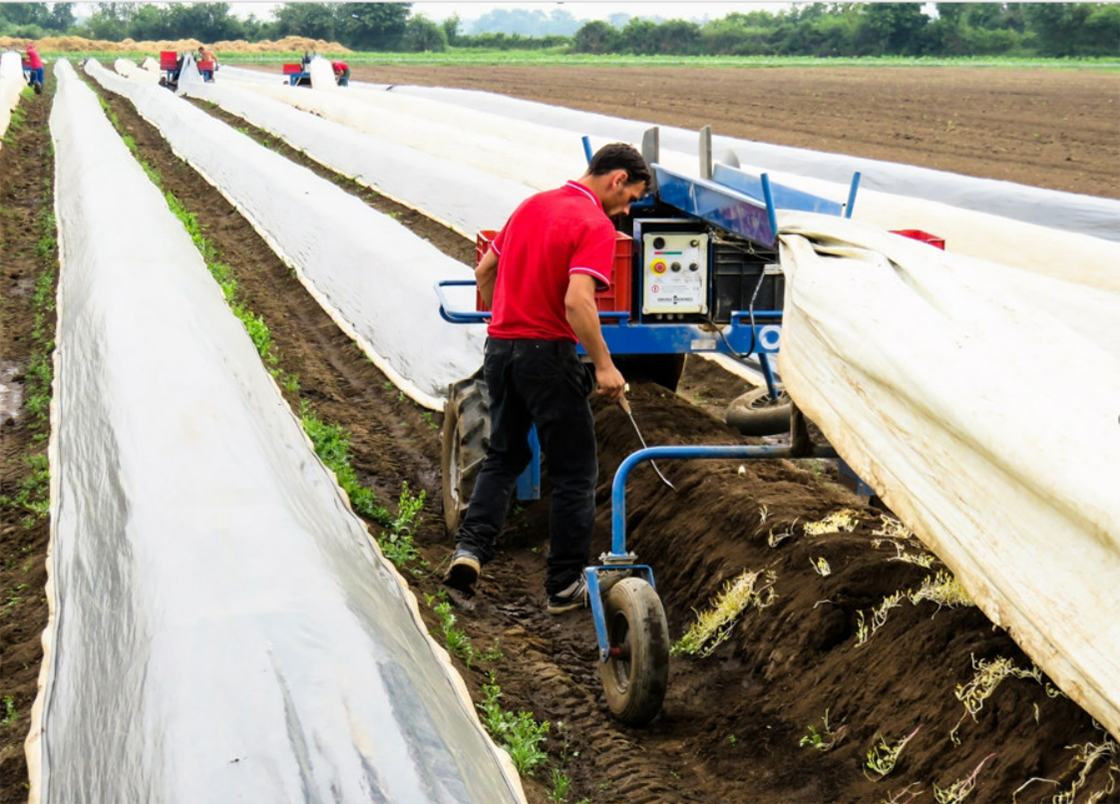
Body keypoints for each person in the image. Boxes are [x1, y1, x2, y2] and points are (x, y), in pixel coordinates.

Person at [444, 143, 650, 614]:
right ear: (617, 179)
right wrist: (604, 364)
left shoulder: (531, 205)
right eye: (632, 196)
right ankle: (562, 585)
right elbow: (577, 302)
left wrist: (507, 320)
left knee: (505, 454)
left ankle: (470, 551)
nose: (629, 207)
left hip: (501, 349)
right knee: (576, 472)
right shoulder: (595, 224)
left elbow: (485, 270)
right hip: (547, 355)